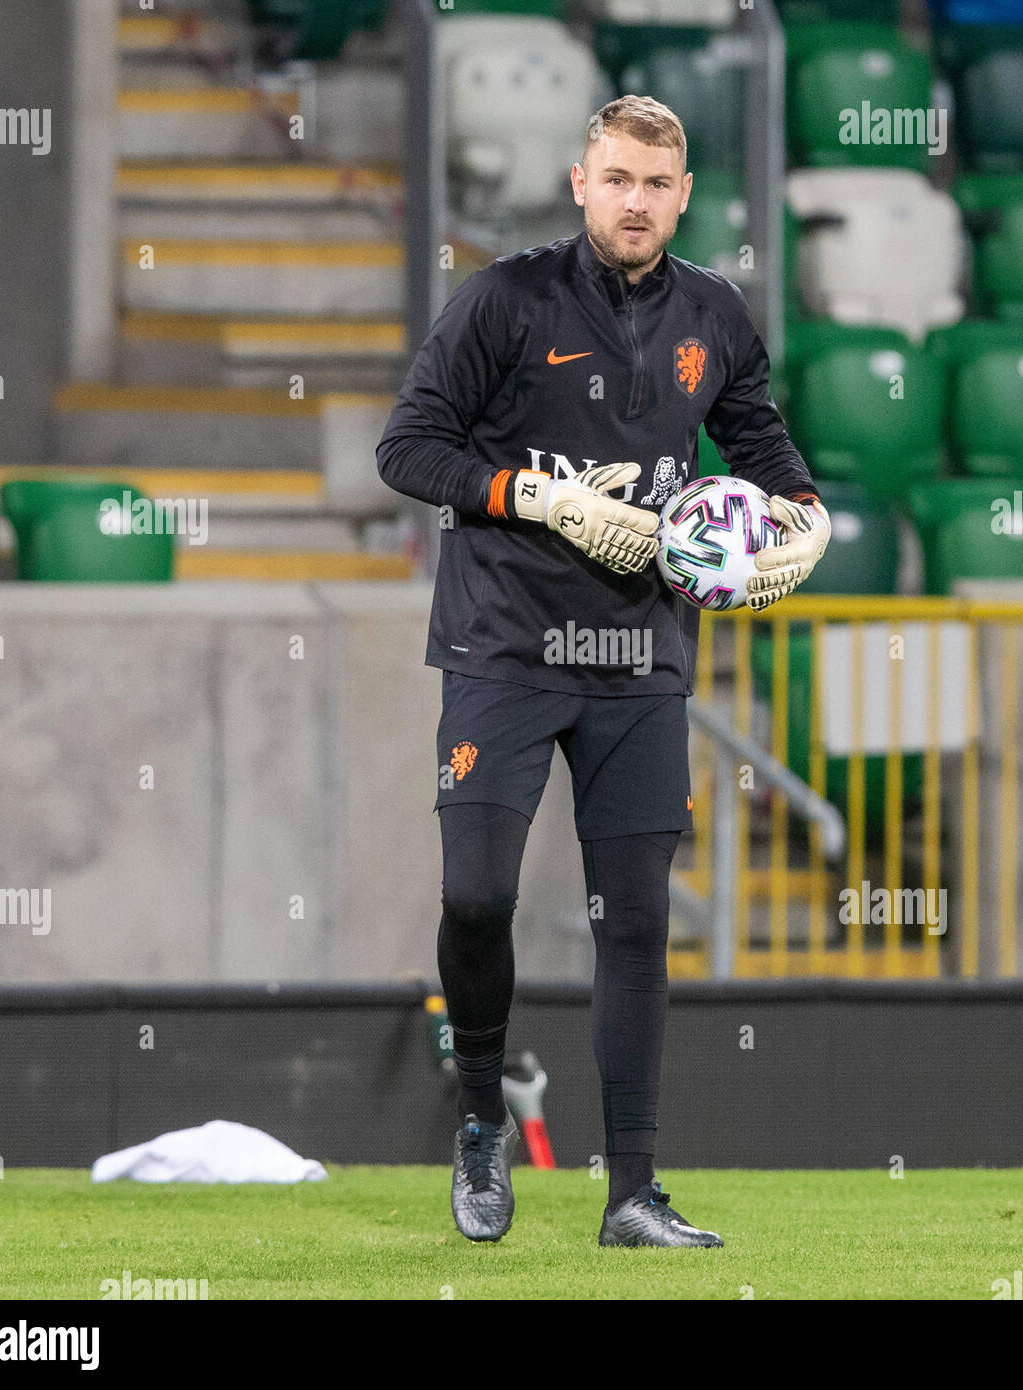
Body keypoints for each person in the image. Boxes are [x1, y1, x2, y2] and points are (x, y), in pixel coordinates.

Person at [376, 95, 830, 1248]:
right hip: (504, 648)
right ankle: (481, 1117)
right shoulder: (502, 299)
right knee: (476, 896)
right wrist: (533, 492)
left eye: (657, 184)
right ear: (580, 183)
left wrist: (807, 518)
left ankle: (631, 1192)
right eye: (616, 179)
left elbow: (761, 443)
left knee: (632, 922)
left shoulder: (715, 315)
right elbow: (408, 448)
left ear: (683, 198)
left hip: (641, 657)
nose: (636, 201)